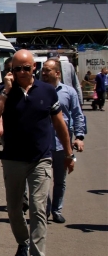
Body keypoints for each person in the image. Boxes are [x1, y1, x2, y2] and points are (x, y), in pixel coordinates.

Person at [0, 49, 75, 256]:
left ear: (34, 68)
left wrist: (68, 153)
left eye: (26, 68)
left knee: (38, 208)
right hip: (13, 159)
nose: (22, 72)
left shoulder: (47, 91)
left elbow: (60, 124)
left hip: (40, 159)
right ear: (11, 70)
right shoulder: (5, 91)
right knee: (14, 209)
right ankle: (23, 242)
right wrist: (6, 91)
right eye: (17, 69)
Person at [40, 59, 85, 223]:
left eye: (47, 70)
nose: (43, 73)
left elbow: (77, 115)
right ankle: (45, 210)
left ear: (57, 73)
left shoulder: (69, 92)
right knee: (42, 180)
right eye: (43, 70)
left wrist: (79, 137)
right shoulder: (37, 90)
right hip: (42, 144)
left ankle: (56, 210)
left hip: (62, 144)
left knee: (60, 180)